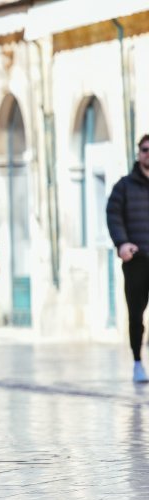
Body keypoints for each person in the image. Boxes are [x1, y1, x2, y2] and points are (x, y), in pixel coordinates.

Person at [106, 133, 149, 383]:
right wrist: (122, 243)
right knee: (136, 314)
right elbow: (113, 215)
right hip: (137, 260)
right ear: (138, 153)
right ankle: (137, 362)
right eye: (144, 149)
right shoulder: (124, 186)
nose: (148, 154)